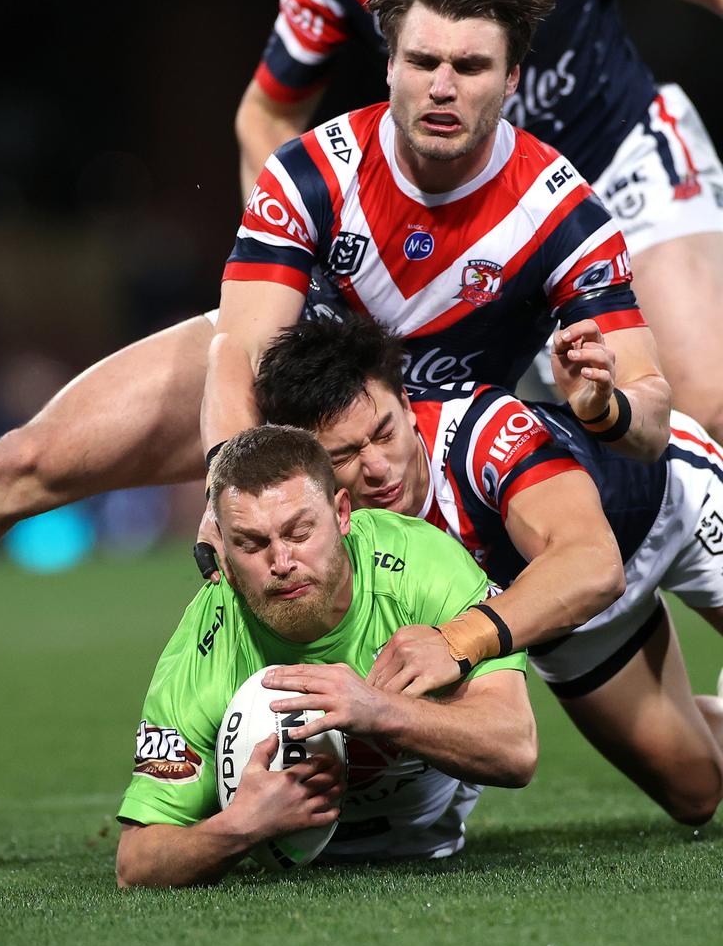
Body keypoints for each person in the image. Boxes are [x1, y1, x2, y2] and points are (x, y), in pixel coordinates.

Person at [0, 0, 671, 582]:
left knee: (651, 734)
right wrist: (228, 485)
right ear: (389, 64)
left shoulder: (563, 214)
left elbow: (650, 419)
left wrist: (604, 406)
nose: (443, 86)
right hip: (289, 388)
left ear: (512, 79)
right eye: (422, 62)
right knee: (21, 464)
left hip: (423, 449)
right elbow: (242, 352)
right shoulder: (313, 172)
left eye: (470, 65)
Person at [238, 0, 723, 438]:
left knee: (705, 407)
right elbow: (266, 114)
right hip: (473, 214)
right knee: (370, 437)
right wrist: (282, 257)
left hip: (619, 161)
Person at [253, 313, 723, 825]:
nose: (378, 468)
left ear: (408, 405)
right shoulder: (319, 513)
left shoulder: (480, 430)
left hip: (673, 502)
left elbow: (594, 564)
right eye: (343, 455)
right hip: (562, 602)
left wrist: (457, 640)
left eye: (384, 433)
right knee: (696, 793)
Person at [115, 425, 535, 888]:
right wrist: (240, 827)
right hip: (278, 876)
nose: (281, 562)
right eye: (252, 545)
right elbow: (136, 863)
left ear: (341, 513)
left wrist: (379, 711)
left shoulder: (424, 565)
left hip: (427, 845)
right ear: (225, 556)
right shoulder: (206, 642)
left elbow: (515, 750)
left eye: (299, 531)